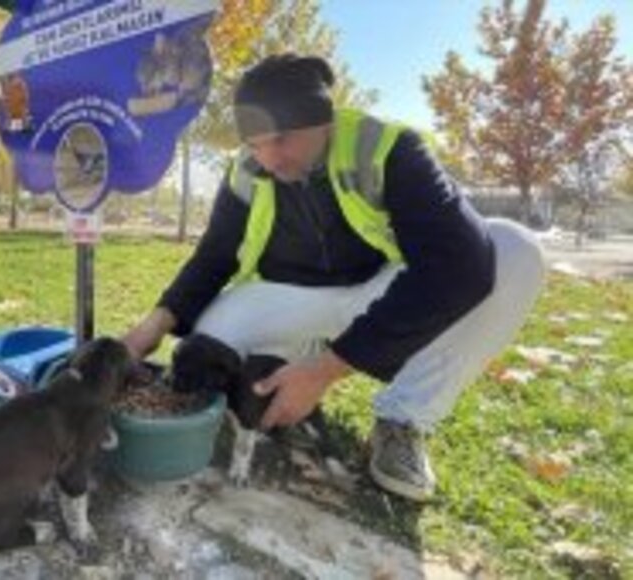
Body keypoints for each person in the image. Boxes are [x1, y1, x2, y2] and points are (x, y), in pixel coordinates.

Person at [122, 53, 545, 501]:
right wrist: (149, 330)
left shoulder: (388, 149)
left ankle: (402, 420)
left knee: (513, 250)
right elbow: (214, 256)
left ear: (322, 120)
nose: (269, 159)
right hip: (291, 300)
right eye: (255, 144)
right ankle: (283, 375)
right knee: (208, 342)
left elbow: (459, 262)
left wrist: (324, 371)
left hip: (376, 292)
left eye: (281, 139)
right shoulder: (247, 170)